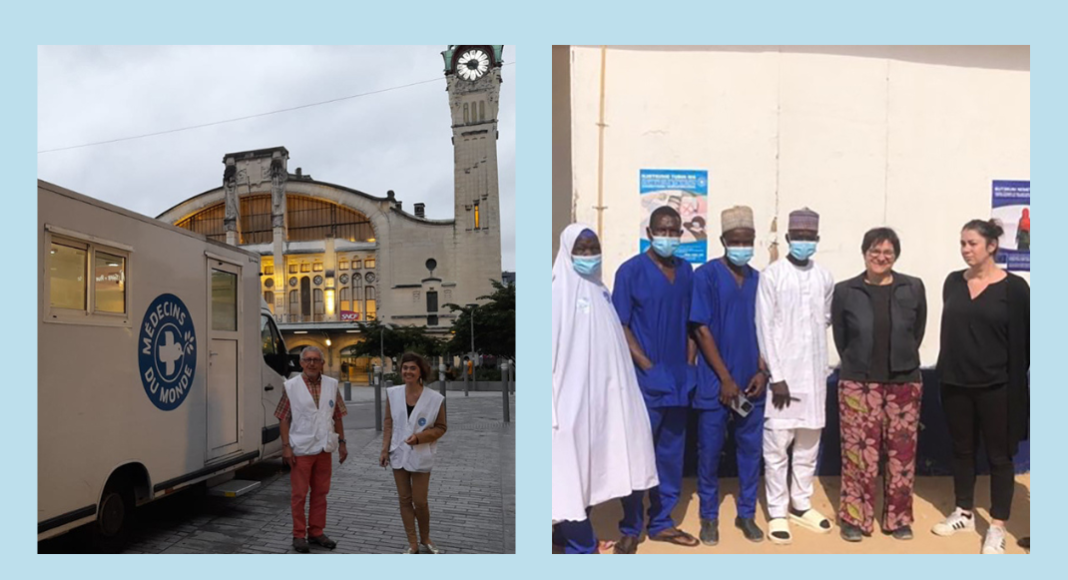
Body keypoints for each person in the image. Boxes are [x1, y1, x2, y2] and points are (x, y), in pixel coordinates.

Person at [551, 224, 658, 554]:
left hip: (605, 403)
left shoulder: (600, 290)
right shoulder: (557, 293)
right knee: (569, 475)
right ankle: (581, 544)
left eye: (593, 248)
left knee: (599, 468)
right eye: (581, 249)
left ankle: (570, 536)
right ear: (568, 252)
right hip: (569, 406)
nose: (589, 255)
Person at [933, 219, 1030, 555]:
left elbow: (1025, 340)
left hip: (997, 387)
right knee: (962, 451)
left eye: (972, 243)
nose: (965, 249)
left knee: (999, 457)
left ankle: (998, 526)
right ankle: (963, 511)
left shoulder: (1015, 288)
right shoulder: (953, 282)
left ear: (992, 246)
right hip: (955, 383)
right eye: (962, 243)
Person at [831, 228, 927, 542]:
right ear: (864, 253)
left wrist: (903, 359)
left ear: (895, 256)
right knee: (858, 455)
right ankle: (854, 518)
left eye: (888, 252)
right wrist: (857, 365)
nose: (881, 257)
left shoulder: (913, 287)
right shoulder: (845, 291)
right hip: (859, 385)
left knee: (902, 456)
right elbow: (841, 337)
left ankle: (898, 519)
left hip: (904, 384)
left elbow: (917, 332)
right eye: (875, 251)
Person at [613, 206, 699, 553]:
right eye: (662, 230)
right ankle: (631, 526)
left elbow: (694, 323)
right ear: (649, 233)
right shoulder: (630, 272)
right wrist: (648, 367)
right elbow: (620, 325)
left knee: (670, 455)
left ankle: (662, 522)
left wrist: (689, 365)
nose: (668, 237)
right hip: (644, 382)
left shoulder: (687, 271)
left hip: (679, 381)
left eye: (674, 231)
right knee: (637, 454)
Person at [756, 207, 835, 545]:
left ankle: (801, 504)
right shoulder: (772, 276)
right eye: (799, 236)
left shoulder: (824, 277)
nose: (804, 241)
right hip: (784, 379)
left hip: (814, 376)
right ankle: (777, 511)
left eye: (810, 237)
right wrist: (776, 375)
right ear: (788, 238)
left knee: (808, 444)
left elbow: (825, 319)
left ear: (817, 239)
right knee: (777, 445)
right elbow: (764, 325)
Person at [690, 206, 768, 546]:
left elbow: (768, 330)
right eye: (735, 241)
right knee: (709, 452)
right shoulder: (706, 276)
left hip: (751, 384)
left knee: (750, 452)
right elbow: (701, 329)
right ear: (723, 241)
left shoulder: (759, 280)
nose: (742, 246)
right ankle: (708, 516)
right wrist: (724, 378)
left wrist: (762, 371)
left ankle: (746, 513)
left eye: (747, 241)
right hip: (715, 383)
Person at [275, 345, 348, 553]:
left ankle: (316, 531)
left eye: (316, 360)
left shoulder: (332, 385)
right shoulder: (291, 386)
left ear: (322, 363)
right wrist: (286, 447)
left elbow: (338, 415)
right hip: (301, 449)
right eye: (308, 360)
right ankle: (299, 534)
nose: (312, 363)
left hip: (324, 447)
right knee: (299, 494)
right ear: (301, 363)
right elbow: (283, 418)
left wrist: (342, 443)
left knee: (321, 492)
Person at [380, 352, 448, 554]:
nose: (408, 371)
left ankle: (425, 538)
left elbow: (441, 427)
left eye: (412, 368)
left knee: (420, 501)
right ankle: (412, 543)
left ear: (420, 372)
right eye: (405, 368)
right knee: (404, 499)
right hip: (398, 452)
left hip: (421, 453)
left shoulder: (435, 399)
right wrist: (384, 449)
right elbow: (388, 423)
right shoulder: (393, 394)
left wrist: (419, 437)